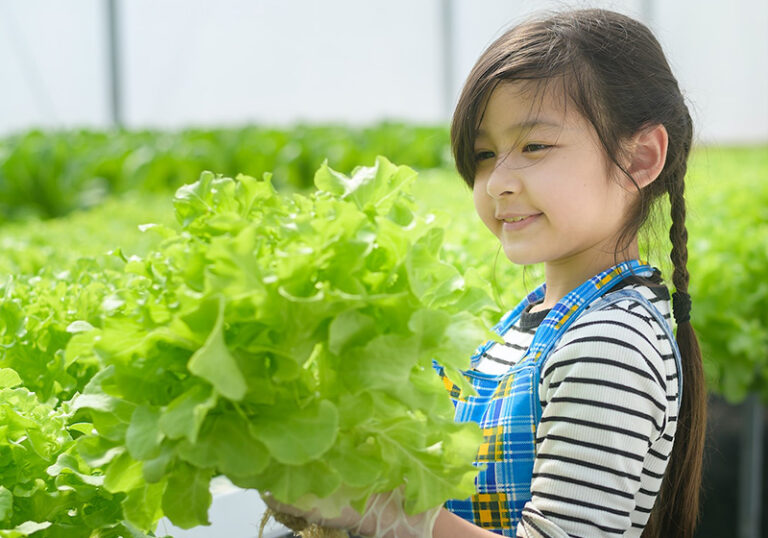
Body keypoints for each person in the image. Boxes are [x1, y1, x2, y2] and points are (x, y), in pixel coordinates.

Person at [266, 8, 706, 537]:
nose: (497, 181)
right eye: (483, 153)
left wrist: (376, 511)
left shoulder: (608, 342)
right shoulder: (530, 320)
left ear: (640, 158)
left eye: (534, 146)